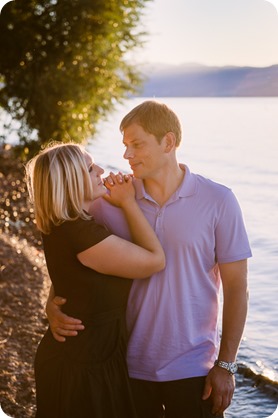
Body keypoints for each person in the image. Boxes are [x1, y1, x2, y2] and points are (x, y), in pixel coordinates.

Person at [46, 101, 252, 418]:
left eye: (137, 144)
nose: (127, 156)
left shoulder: (219, 201)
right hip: (125, 367)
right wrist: (53, 302)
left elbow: (237, 287)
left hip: (194, 367)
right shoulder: (112, 201)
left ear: (168, 142)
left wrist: (226, 364)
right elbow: (73, 251)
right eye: (125, 146)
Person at [25, 142, 165, 418]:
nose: (101, 170)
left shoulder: (64, 225)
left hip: (86, 357)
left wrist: (50, 303)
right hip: (82, 366)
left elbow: (71, 275)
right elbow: (155, 261)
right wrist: (127, 203)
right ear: (71, 182)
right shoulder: (81, 234)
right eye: (90, 169)